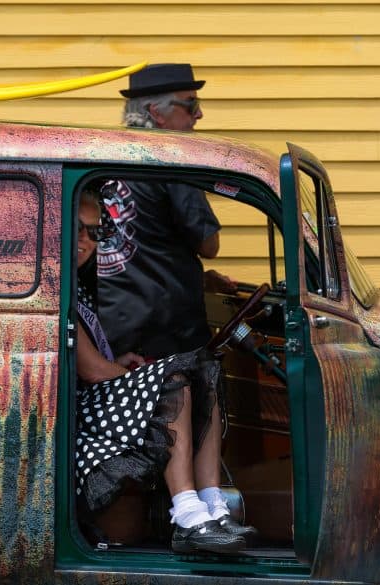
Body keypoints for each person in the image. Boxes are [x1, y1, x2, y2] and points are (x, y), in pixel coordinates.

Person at [75, 188, 255, 554]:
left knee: (204, 370)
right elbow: (92, 371)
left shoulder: (82, 281)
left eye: (94, 233)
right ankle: (187, 515)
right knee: (172, 379)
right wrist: (127, 373)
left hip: (98, 399)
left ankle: (213, 505)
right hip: (79, 413)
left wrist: (122, 360)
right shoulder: (55, 286)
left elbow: (99, 354)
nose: (85, 240)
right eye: (77, 229)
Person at [97, 63, 236, 359]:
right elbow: (209, 244)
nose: (199, 114)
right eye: (191, 104)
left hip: (108, 334)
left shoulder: (100, 162)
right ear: (156, 112)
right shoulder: (172, 163)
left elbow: (138, 249)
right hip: (167, 338)